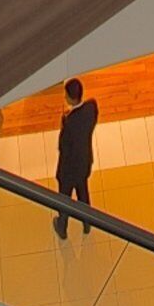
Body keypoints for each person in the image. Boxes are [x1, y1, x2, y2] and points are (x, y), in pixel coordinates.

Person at [52, 76, 102, 238]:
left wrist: (63, 125)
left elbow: (63, 147)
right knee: (83, 193)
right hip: (84, 163)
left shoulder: (68, 123)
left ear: (70, 98)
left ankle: (62, 226)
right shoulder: (91, 107)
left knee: (64, 199)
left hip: (68, 170)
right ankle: (87, 223)